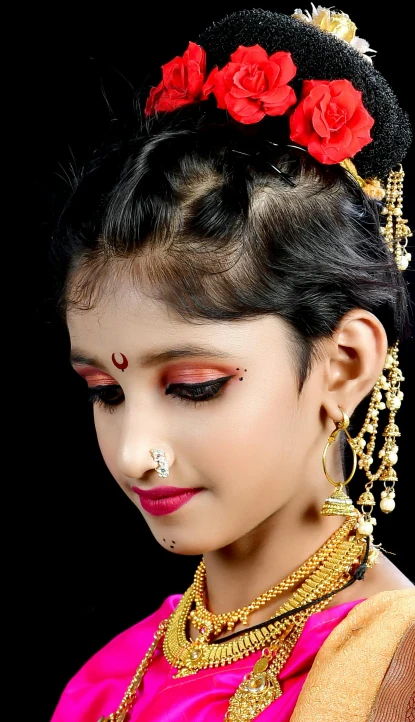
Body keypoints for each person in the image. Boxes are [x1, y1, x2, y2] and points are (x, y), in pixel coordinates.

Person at [47, 5, 415, 721]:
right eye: (105, 391)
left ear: (344, 363)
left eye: (193, 387)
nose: (134, 455)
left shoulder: (391, 670)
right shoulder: (109, 677)